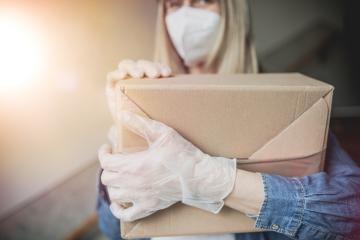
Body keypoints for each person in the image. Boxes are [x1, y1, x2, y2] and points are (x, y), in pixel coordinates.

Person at [96, 0, 360, 239]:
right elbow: (112, 229)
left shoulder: (286, 102)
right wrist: (123, 136)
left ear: (232, 13)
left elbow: (351, 213)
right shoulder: (143, 97)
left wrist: (209, 179)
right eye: (175, 4)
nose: (186, 15)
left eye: (204, 1)